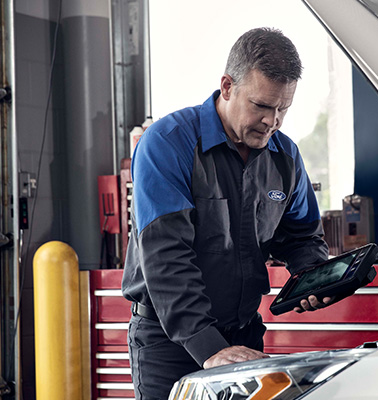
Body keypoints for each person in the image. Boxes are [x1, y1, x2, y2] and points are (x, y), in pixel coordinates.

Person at [121, 27, 330, 400]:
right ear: (228, 86)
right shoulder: (168, 144)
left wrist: (314, 275)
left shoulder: (284, 156)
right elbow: (166, 257)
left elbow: (301, 236)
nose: (273, 121)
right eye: (262, 106)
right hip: (171, 341)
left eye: (283, 108)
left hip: (244, 334)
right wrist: (208, 346)